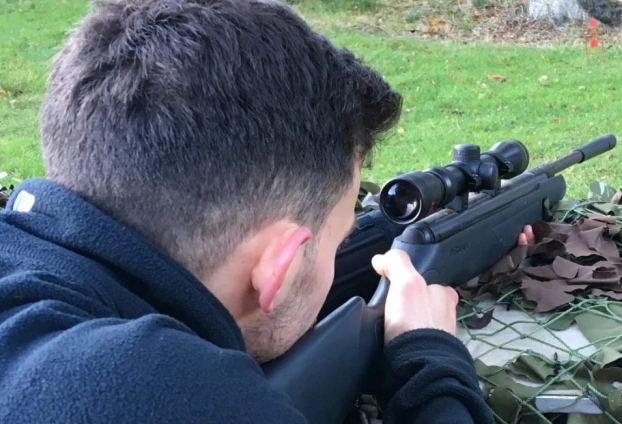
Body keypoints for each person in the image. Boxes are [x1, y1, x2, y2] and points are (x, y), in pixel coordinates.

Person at [0, 0, 537, 422]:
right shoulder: (164, 391)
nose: (336, 255)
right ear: (275, 268)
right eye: (336, 239)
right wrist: (431, 360)